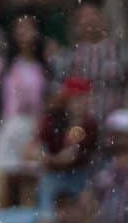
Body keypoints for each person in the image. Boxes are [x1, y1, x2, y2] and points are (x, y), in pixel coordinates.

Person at [0, 13, 51, 201]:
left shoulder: (44, 66)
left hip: (36, 126)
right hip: (12, 123)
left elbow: (49, 98)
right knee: (5, 174)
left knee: (32, 175)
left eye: (29, 28)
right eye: (20, 29)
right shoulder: (6, 64)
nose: (25, 33)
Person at [56, 0, 128, 127]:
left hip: (116, 124)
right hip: (81, 127)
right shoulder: (69, 56)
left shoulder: (121, 51)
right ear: (77, 23)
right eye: (84, 16)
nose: (89, 20)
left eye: (94, 14)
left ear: (103, 18)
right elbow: (58, 94)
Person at [36, 76, 99, 212]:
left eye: (84, 98)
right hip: (53, 174)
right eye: (77, 98)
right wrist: (53, 159)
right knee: (47, 212)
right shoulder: (52, 120)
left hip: (78, 176)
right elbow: (34, 149)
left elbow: (89, 156)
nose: (81, 103)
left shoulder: (90, 125)